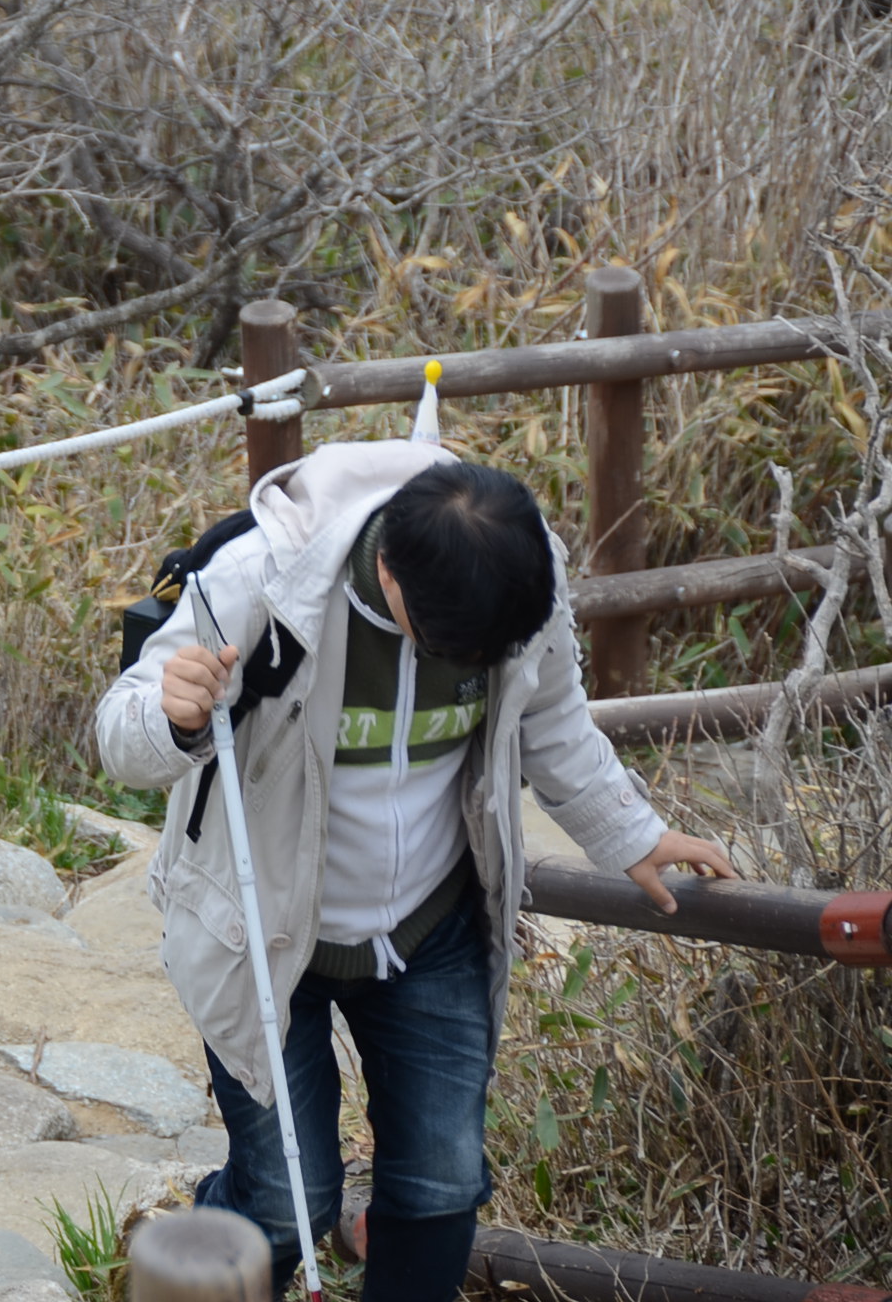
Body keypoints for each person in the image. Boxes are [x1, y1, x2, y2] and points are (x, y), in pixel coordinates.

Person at [95, 441, 736, 1299]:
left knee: (441, 1183)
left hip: (429, 926)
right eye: (450, 649)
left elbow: (551, 716)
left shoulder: (515, 573)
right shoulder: (263, 581)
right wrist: (170, 718)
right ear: (390, 573)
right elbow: (119, 733)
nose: (470, 668)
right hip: (266, 934)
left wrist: (632, 835)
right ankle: (193, 1271)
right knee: (293, 1198)